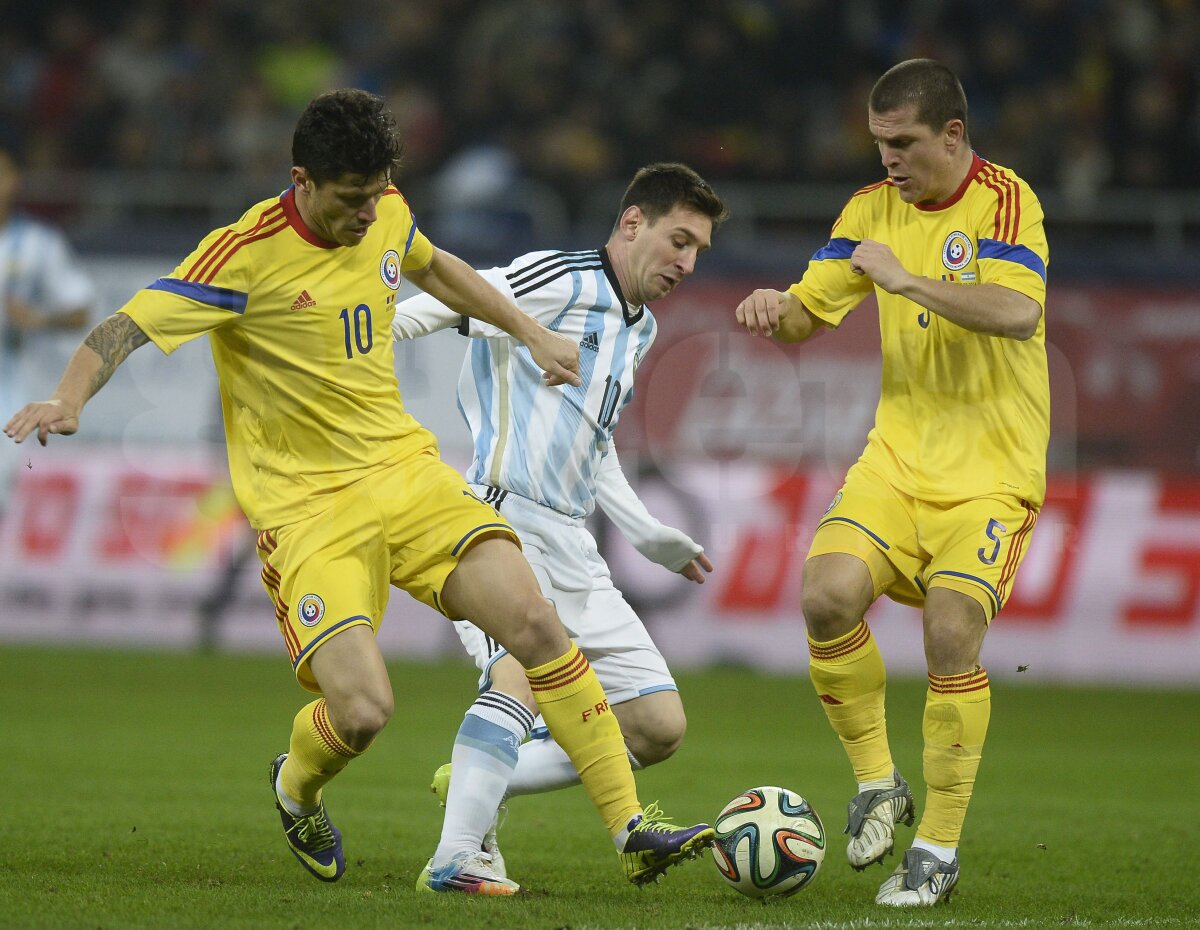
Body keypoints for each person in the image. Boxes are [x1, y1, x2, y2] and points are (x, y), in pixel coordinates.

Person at [4, 89, 714, 892]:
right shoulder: (242, 254)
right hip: (308, 512)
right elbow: (123, 326)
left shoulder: (384, 208)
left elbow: (437, 267)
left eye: (377, 193)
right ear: (302, 180)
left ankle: (629, 828)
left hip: (405, 473)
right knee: (363, 712)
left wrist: (529, 331)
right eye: (350, 199)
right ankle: (294, 787)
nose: (366, 213)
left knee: (536, 625)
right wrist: (68, 398)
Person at [735, 59, 1049, 907]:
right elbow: (812, 311)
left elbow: (1020, 312)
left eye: (903, 143)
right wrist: (778, 311)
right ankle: (878, 782)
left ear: (952, 135)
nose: (888, 161)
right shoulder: (868, 212)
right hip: (897, 461)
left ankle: (937, 850)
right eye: (878, 144)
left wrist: (909, 279)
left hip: (990, 475)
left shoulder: (1006, 202)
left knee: (952, 631)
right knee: (825, 596)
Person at [391, 162, 727, 893]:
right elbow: (450, 300)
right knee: (521, 672)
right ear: (632, 222)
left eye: (698, 250)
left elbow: (594, 436)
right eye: (678, 240)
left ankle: (481, 782)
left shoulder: (643, 329)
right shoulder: (561, 276)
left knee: (658, 726)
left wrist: (643, 530)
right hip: (498, 519)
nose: (686, 263)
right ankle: (454, 857)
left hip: (574, 539)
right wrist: (370, 335)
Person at [0, 141, 94, 513]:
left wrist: (37, 318)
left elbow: (80, 310)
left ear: (15, 181)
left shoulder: (38, 244)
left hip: (9, 385)